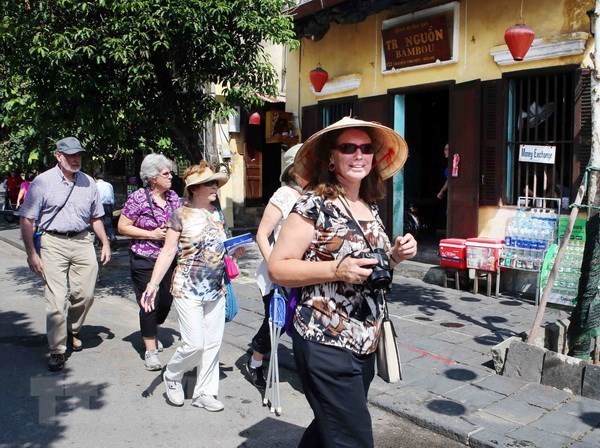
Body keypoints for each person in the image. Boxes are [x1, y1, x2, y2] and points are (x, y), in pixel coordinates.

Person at [268, 117, 417, 447]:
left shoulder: (367, 205)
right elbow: (278, 268)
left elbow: (368, 270)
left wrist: (394, 255)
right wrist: (337, 269)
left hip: (364, 340)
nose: (359, 155)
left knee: (329, 428)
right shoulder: (313, 204)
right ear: (331, 158)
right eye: (348, 148)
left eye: (366, 148)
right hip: (325, 339)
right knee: (353, 438)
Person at [141, 161, 246, 410]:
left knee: (212, 344)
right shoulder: (180, 214)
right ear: (194, 188)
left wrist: (234, 251)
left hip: (216, 288)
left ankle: (205, 394)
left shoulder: (217, 213)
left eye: (216, 183)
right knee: (194, 344)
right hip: (187, 288)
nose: (215, 187)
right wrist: (153, 285)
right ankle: (173, 376)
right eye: (210, 183)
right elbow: (168, 252)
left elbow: (220, 247)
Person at [19, 136, 111, 371]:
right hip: (53, 242)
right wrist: (32, 253)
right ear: (58, 157)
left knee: (86, 294)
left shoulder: (88, 182)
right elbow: (27, 219)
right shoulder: (42, 182)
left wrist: (105, 242)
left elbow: (96, 217)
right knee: (57, 299)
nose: (76, 159)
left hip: (82, 240)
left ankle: (73, 328)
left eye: (79, 155)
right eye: (71, 155)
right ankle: (57, 349)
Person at [247, 143, 307, 388]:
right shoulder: (284, 195)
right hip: (279, 273)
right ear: (293, 170)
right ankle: (255, 361)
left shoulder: (314, 195)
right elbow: (262, 234)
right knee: (276, 322)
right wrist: (276, 269)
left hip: (304, 273)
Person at [117, 154, 180, 371]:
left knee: (166, 301)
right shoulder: (138, 198)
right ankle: (150, 349)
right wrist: (151, 234)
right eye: (166, 173)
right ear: (153, 178)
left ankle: (152, 328)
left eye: (170, 172)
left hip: (170, 258)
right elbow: (123, 227)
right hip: (145, 257)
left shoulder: (173, 197)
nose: (170, 176)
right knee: (149, 302)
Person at [93, 172, 117, 247]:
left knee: (97, 221)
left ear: (95, 178)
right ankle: (112, 237)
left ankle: (99, 240)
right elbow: (112, 196)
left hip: (99, 204)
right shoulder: (109, 185)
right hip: (108, 205)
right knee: (108, 223)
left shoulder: (95, 185)